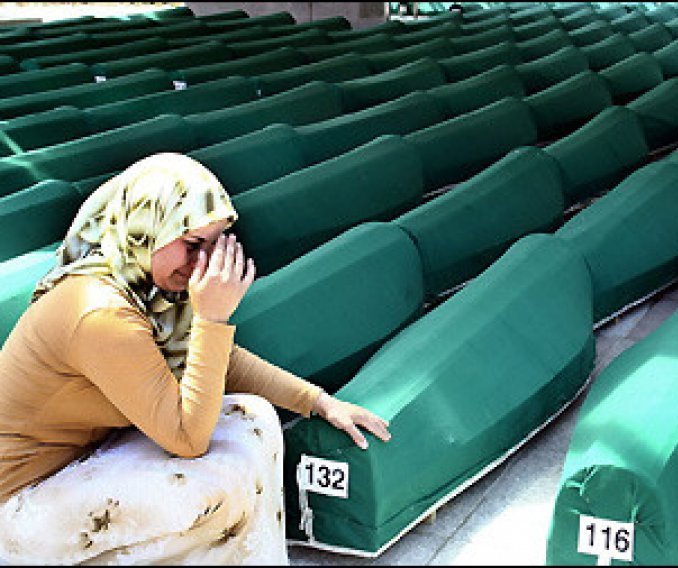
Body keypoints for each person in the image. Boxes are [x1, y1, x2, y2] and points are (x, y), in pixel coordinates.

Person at [0, 152, 391, 565]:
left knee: (250, 416)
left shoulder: (144, 289)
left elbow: (220, 361)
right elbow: (188, 439)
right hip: (19, 510)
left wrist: (319, 402)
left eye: (212, 245)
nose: (201, 263)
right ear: (144, 228)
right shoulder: (100, 310)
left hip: (77, 463)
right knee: (211, 487)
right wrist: (212, 317)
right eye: (191, 244)